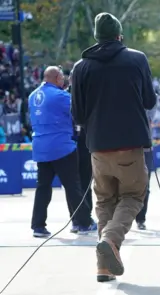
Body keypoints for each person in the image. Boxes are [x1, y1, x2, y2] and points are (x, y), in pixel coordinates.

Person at [71, 12, 156, 283]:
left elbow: (78, 115)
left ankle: (103, 268)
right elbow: (150, 101)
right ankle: (110, 239)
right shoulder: (137, 58)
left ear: (96, 37)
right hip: (130, 143)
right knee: (132, 197)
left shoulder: (81, 67)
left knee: (105, 201)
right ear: (120, 35)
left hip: (97, 145)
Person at [29, 66, 96, 238]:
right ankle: (84, 222)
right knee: (73, 186)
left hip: (40, 147)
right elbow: (80, 111)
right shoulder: (61, 96)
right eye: (62, 78)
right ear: (57, 78)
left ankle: (38, 225)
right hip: (61, 146)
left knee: (43, 187)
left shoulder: (32, 95)